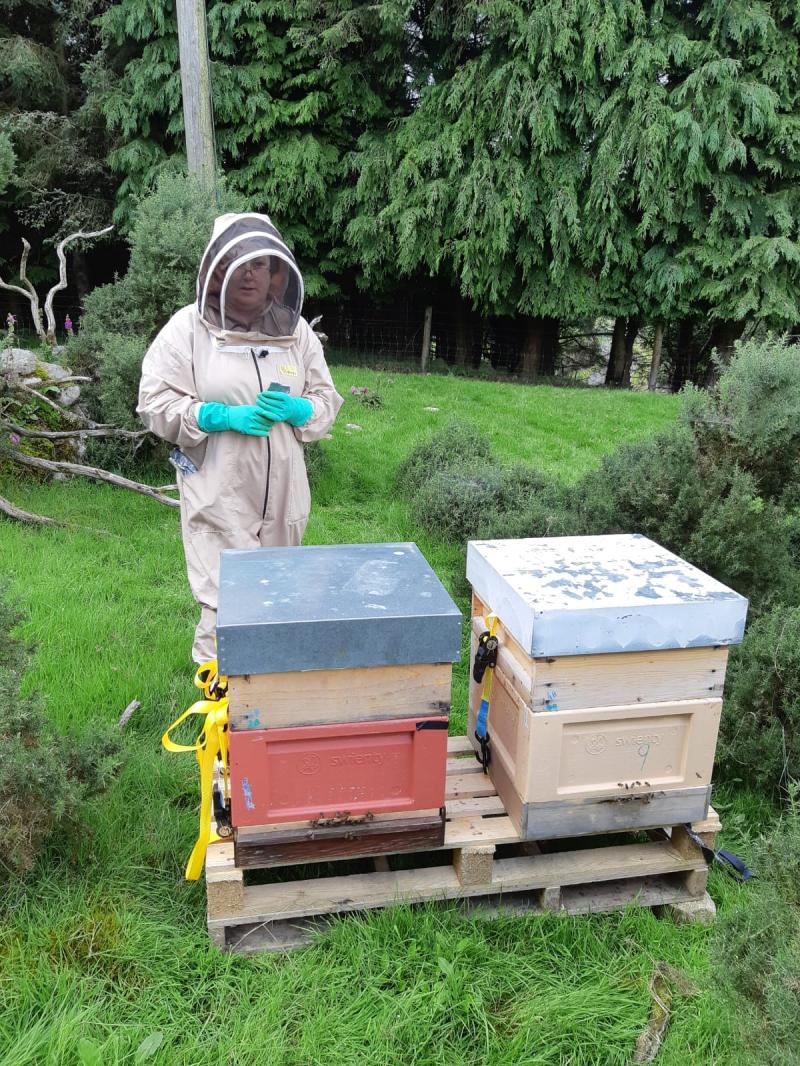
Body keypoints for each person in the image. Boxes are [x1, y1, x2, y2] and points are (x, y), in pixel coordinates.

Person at [137, 212, 343, 664]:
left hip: (286, 490)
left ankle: (264, 702)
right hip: (219, 490)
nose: (248, 273)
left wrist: (302, 409)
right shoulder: (187, 330)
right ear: (217, 271)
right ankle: (215, 703)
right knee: (222, 599)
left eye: (259, 264)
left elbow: (327, 397)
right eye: (236, 261)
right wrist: (214, 415)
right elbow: (153, 402)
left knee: (278, 592)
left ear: (276, 276)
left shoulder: (297, 332)